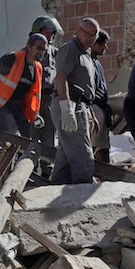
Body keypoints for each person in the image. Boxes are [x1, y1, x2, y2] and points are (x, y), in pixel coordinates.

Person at [50, 18, 98, 184]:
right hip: (70, 103)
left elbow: (85, 88)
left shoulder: (86, 54)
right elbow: (61, 77)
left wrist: (91, 114)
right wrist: (66, 108)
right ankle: (83, 194)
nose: (90, 38)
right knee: (82, 154)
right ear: (78, 31)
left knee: (66, 150)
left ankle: (57, 187)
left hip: (80, 105)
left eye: (93, 35)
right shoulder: (71, 48)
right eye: (86, 33)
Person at [0, 34, 46, 138]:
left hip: (17, 107)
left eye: (43, 50)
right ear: (29, 46)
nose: (41, 52)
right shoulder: (13, 58)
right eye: (39, 48)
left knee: (26, 139)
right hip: (1, 105)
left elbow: (32, 95)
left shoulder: (37, 68)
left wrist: (34, 115)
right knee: (13, 135)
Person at [30, 15, 64, 148]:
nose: (50, 36)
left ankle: (47, 167)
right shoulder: (28, 52)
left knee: (48, 141)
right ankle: (28, 167)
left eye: (52, 33)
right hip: (32, 101)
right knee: (31, 139)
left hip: (50, 100)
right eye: (47, 32)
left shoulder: (56, 53)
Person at [90, 29, 112, 163]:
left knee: (103, 146)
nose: (105, 47)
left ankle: (105, 178)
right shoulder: (86, 61)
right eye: (102, 43)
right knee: (91, 144)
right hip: (93, 107)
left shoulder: (97, 63)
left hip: (101, 107)